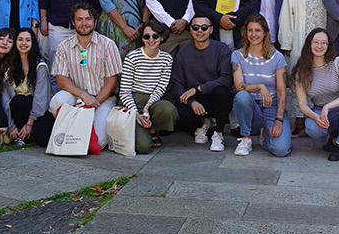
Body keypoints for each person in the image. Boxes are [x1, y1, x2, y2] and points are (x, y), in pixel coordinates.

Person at [48, 3, 123, 141]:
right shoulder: (64, 46)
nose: (84, 23)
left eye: (88, 19)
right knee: (56, 101)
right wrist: (83, 95)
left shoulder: (107, 44)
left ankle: (79, 133)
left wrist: (94, 102)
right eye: (79, 19)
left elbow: (112, 81)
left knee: (99, 141)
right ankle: (74, 132)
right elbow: (61, 79)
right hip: (76, 96)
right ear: (73, 22)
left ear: (95, 21)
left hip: (103, 99)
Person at [170, 14, 235, 150]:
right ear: (191, 30)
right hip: (195, 101)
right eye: (196, 27)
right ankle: (201, 125)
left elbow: (226, 79)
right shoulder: (183, 53)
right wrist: (192, 101)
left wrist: (198, 89)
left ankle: (218, 132)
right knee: (181, 110)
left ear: (211, 30)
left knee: (222, 91)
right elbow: (176, 84)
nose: (200, 30)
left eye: (204, 27)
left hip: (215, 97)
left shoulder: (221, 49)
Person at [292, 28, 339, 161]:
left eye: (324, 43)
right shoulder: (302, 70)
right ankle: (326, 141)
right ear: (309, 44)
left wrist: (327, 107)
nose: (319, 46)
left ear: (328, 46)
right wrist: (315, 116)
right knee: (311, 127)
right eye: (316, 42)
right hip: (318, 110)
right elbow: (303, 105)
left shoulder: (338, 62)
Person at [231, 14, 288, 157]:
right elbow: (239, 86)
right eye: (250, 30)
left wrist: (279, 120)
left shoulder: (278, 57)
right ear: (245, 32)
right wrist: (260, 86)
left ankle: (265, 136)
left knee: (281, 150)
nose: (253, 34)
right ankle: (246, 138)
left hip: (272, 106)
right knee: (241, 96)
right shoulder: (238, 56)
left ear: (265, 33)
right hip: (250, 106)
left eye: (258, 30)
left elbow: (281, 91)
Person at [118, 19, 178, 152]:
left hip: (152, 100)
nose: (151, 39)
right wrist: (137, 114)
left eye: (155, 36)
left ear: (162, 38)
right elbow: (124, 92)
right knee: (143, 148)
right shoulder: (132, 57)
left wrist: (147, 108)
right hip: (131, 99)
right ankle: (146, 129)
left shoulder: (167, 59)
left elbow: (161, 88)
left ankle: (152, 127)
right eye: (146, 36)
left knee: (169, 110)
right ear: (142, 38)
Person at [1, 26, 53, 146]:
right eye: (20, 39)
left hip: (38, 109)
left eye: (28, 40)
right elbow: (5, 98)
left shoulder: (40, 66)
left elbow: (41, 98)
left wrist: (30, 123)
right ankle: (19, 132)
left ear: (33, 43)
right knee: (19, 101)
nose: (24, 43)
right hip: (17, 107)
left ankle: (26, 133)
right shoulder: (7, 66)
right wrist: (11, 125)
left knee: (42, 139)